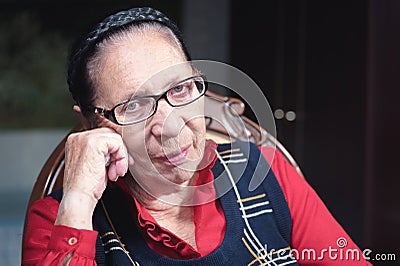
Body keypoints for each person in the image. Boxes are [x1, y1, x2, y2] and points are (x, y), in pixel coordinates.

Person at [22, 7, 371, 265]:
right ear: (91, 124)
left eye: (181, 89)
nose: (170, 125)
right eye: (133, 106)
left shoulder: (266, 172)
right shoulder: (57, 219)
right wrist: (79, 200)